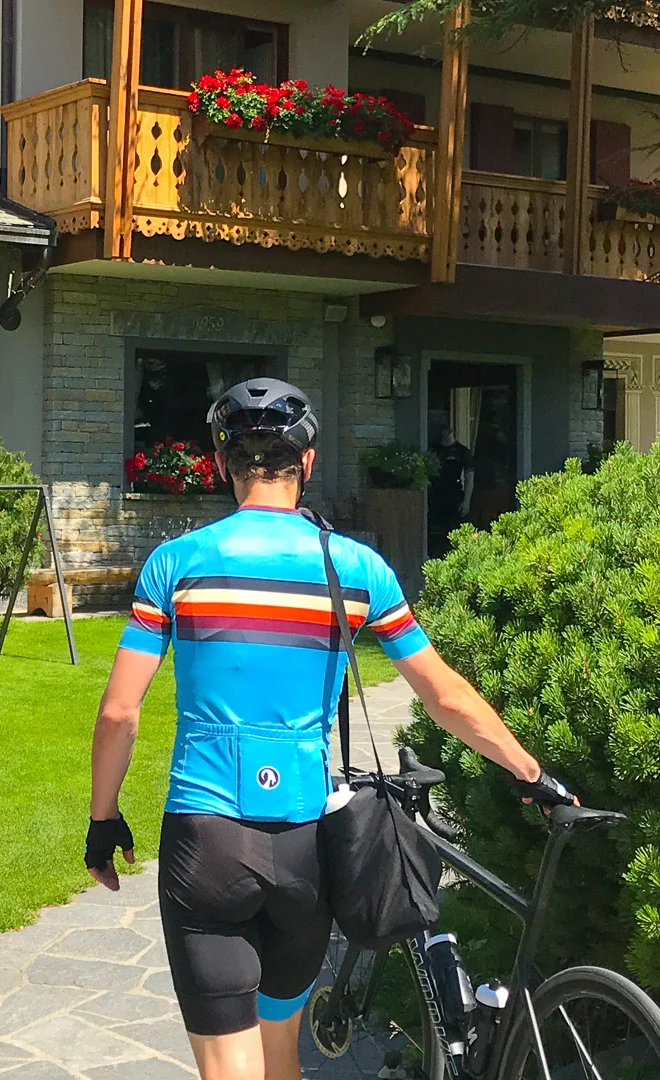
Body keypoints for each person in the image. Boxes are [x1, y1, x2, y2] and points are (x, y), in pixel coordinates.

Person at [84, 378, 574, 1080]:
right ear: (307, 463)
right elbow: (444, 695)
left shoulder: (176, 564)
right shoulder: (358, 568)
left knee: (230, 1067)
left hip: (206, 840)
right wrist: (532, 773)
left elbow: (118, 713)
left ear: (221, 463)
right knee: (280, 1050)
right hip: (306, 847)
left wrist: (103, 820)